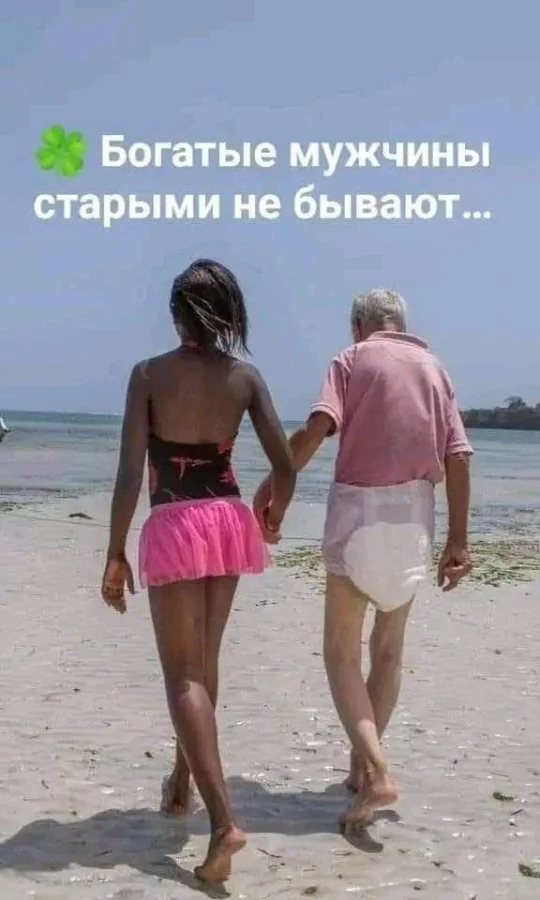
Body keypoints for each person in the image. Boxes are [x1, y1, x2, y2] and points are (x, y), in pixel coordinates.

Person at [100, 259, 296, 883]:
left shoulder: (148, 375)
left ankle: (223, 823)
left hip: (176, 523)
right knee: (204, 664)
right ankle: (183, 780)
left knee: (183, 674)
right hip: (227, 520)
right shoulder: (245, 377)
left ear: (174, 314)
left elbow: (131, 472)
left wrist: (114, 550)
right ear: (229, 314)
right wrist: (272, 515)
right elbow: (285, 466)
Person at [253, 288, 473, 832]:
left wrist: (274, 488)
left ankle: (375, 768)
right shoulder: (436, 370)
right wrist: (459, 541)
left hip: (358, 517)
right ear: (401, 322)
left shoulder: (351, 359)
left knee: (340, 654)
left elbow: (316, 431)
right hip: (415, 520)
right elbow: (458, 456)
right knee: (389, 652)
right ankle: (360, 767)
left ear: (358, 325)